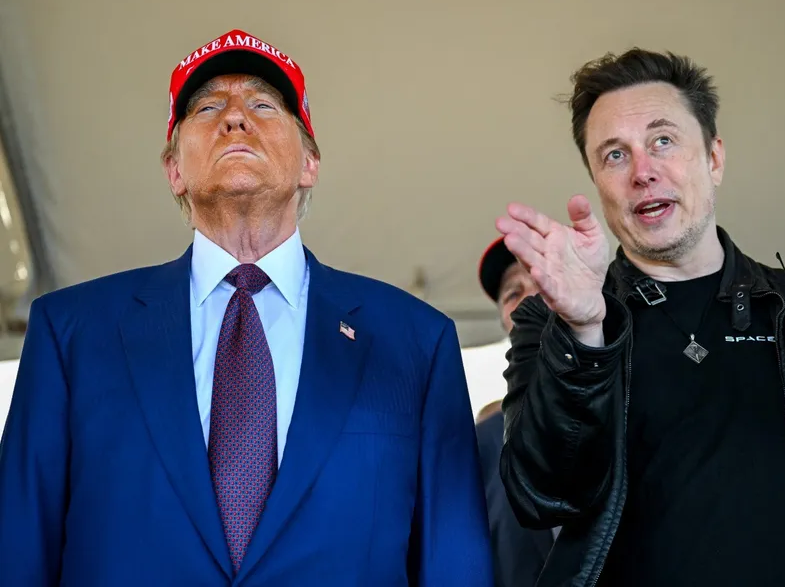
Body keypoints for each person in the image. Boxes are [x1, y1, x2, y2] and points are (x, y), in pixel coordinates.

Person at [0, 29, 493, 586]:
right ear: (174, 170)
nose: (234, 118)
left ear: (310, 163)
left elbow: (454, 563)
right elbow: (17, 552)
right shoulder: (71, 333)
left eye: (262, 105)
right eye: (208, 107)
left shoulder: (414, 342)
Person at [495, 48, 785, 587]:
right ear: (596, 182)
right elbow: (541, 496)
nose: (643, 172)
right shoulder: (553, 325)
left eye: (663, 141)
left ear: (714, 158)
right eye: (614, 155)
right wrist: (584, 331)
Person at [474, 236, 556, 587]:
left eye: (544, 282)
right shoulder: (482, 443)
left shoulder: (633, 405)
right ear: (504, 321)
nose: (531, 298)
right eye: (513, 293)